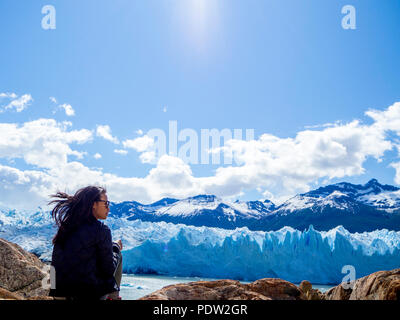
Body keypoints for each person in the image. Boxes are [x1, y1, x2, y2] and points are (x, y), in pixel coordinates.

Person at [49, 186, 123, 300]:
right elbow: (109, 269)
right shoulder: (101, 230)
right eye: (106, 203)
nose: (108, 208)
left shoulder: (66, 228)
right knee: (117, 254)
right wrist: (115, 247)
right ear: (94, 204)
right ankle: (113, 297)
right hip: (87, 295)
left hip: (59, 293)